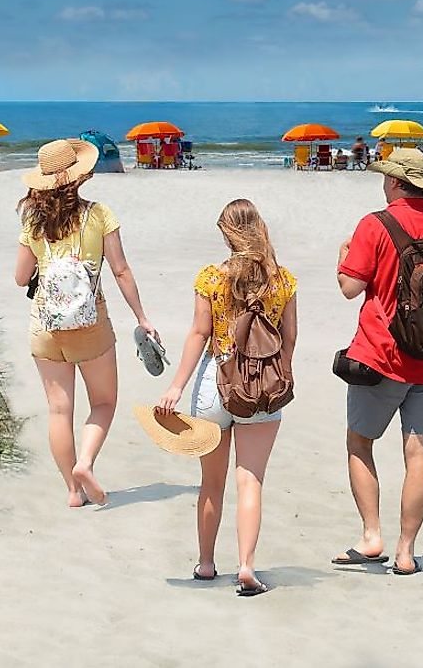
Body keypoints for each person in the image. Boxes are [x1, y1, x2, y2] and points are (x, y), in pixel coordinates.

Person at [334, 147, 423, 576]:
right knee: (419, 454)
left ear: (395, 182)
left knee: (359, 443)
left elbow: (348, 286)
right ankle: (406, 550)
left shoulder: (374, 225)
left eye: (385, 177)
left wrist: (343, 255)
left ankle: (371, 535)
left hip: (380, 356)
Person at [155, 199, 296, 596]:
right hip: (263, 389)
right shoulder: (282, 280)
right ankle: (247, 566)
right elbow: (290, 337)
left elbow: (199, 335)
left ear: (225, 233)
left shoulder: (210, 278)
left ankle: (205, 563)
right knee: (250, 481)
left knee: (211, 482)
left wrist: (176, 386)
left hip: (214, 385)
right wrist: (281, 374)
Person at [14, 137, 159, 508]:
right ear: (79, 176)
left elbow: (19, 277)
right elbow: (122, 270)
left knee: (59, 410)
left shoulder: (33, 221)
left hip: (45, 325)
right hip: (90, 323)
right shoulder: (98, 214)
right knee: (104, 403)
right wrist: (142, 317)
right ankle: (86, 462)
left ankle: (72, 492)